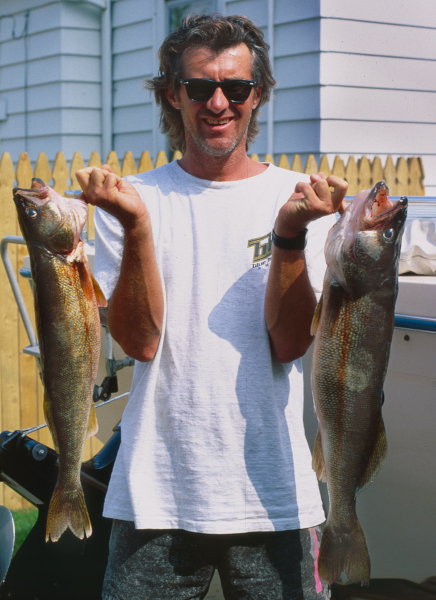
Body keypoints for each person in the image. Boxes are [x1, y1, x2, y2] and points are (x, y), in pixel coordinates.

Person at [76, 13, 348, 600]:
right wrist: (138, 226)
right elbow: (139, 342)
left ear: (259, 95)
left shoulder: (298, 199)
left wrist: (290, 237)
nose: (218, 103)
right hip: (156, 493)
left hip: (274, 492)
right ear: (173, 94)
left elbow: (290, 344)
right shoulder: (133, 199)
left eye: (237, 88)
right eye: (200, 87)